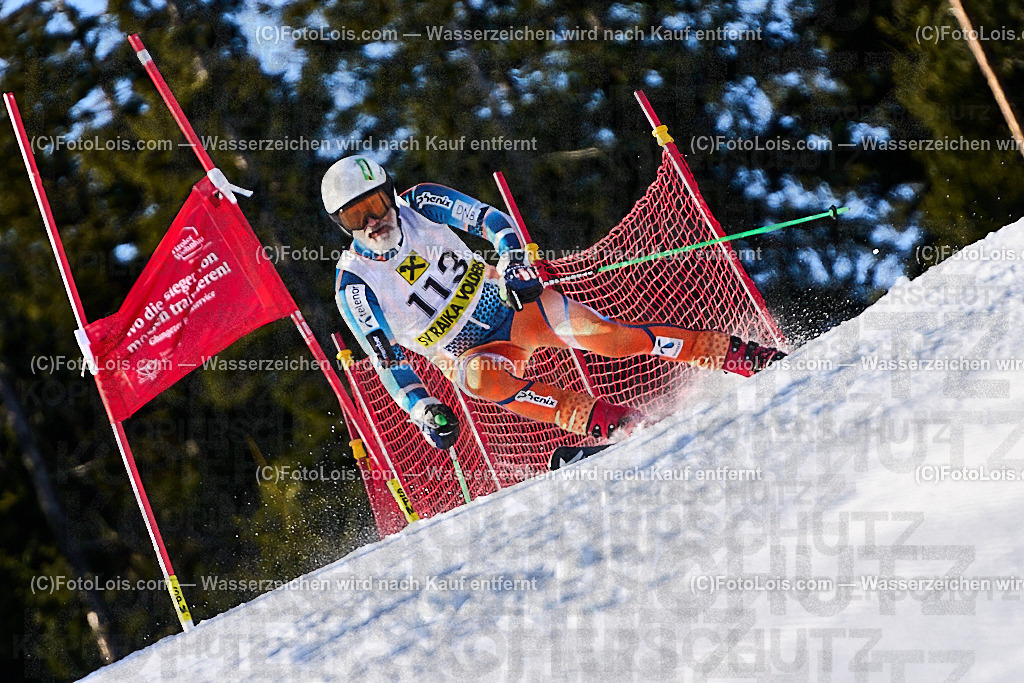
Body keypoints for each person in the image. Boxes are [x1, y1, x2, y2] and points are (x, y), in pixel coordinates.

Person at [325, 156, 785, 450]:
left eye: (377, 204)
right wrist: (422, 409)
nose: (373, 220)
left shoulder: (421, 203)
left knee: (611, 339)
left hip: (513, 309)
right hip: (471, 352)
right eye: (355, 215)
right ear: (341, 224)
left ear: (390, 192)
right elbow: (388, 359)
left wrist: (512, 264)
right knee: (478, 381)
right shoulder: (355, 285)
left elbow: (490, 220)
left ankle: (738, 354)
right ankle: (610, 422)